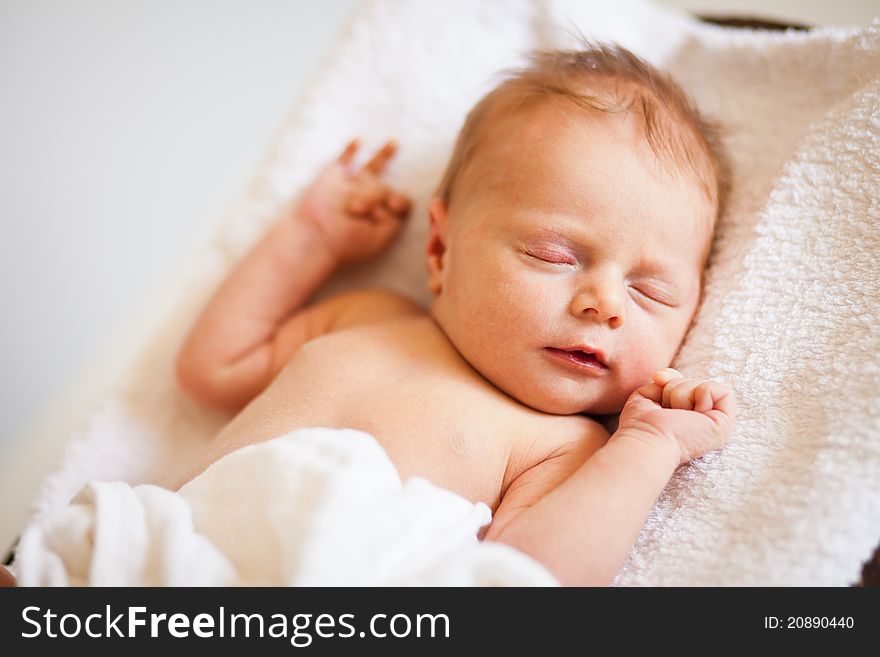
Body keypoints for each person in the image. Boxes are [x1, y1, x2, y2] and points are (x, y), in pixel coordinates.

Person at [173, 44, 736, 587]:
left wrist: (651, 446)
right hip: (175, 552)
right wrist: (311, 239)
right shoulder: (369, 318)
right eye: (553, 256)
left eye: (650, 292)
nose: (606, 304)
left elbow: (534, 577)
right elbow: (214, 368)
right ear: (441, 250)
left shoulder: (563, 446)